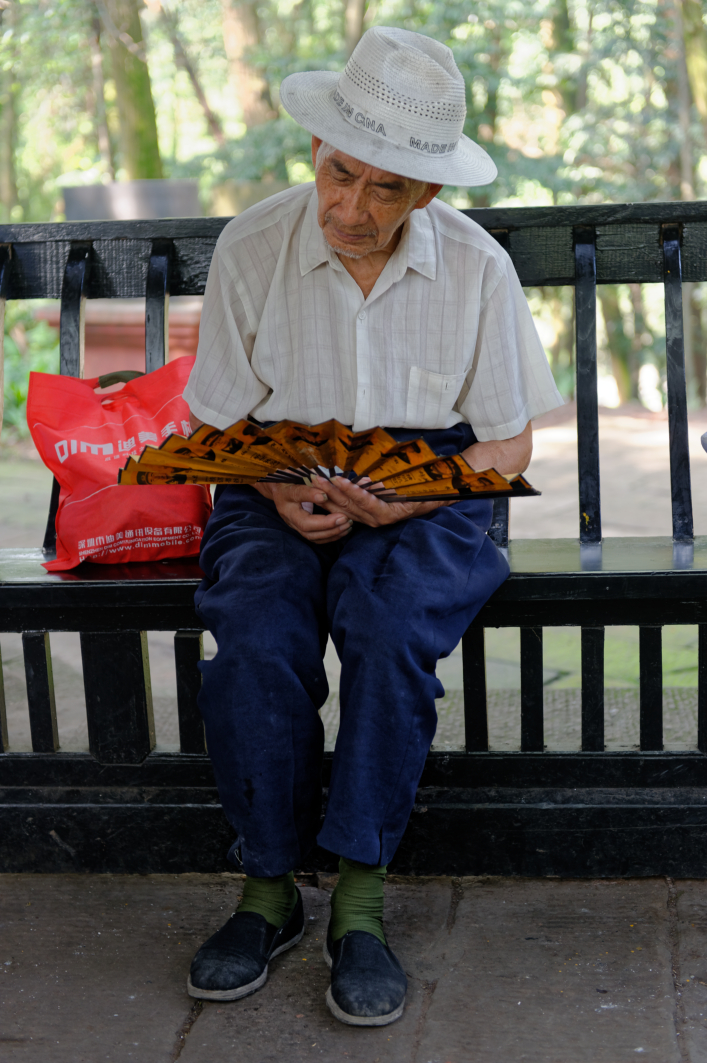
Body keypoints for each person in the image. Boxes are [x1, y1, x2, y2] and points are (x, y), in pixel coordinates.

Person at [183, 26, 564, 1026]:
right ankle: (267, 890)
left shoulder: (475, 267)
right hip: (274, 466)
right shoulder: (252, 245)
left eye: (384, 189)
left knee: (388, 627)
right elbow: (213, 425)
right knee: (254, 632)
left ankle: (358, 901)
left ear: (426, 191)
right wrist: (277, 484)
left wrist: (415, 495)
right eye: (337, 173)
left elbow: (507, 444)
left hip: (428, 479)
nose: (349, 208)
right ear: (315, 147)